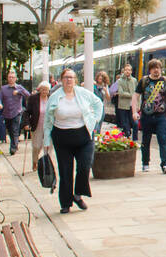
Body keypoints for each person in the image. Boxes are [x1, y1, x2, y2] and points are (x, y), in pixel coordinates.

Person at [44, 68, 103, 214]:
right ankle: (65, 203)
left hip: (84, 137)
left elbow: (98, 103)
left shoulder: (83, 93)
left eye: (71, 77)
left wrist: (95, 120)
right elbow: (48, 120)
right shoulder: (55, 97)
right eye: (66, 77)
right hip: (62, 138)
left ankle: (78, 194)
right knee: (65, 171)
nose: (69, 80)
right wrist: (46, 141)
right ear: (61, 80)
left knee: (85, 166)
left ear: (75, 80)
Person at [133, 58, 166, 174]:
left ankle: (165, 164)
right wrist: (134, 112)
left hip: (161, 116)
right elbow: (135, 96)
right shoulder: (144, 81)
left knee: (163, 139)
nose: (156, 70)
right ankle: (145, 163)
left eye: (158, 68)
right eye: (154, 68)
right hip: (146, 116)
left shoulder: (165, 81)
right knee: (146, 140)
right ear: (150, 70)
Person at [0, 70, 31, 156]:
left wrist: (19, 92)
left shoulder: (19, 87)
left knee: (15, 129)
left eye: (12, 77)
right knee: (10, 130)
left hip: (17, 112)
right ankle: (15, 143)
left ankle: (13, 148)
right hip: (7, 113)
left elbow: (28, 95)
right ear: (7, 78)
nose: (11, 79)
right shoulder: (3, 89)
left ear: (15, 79)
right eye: (9, 77)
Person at [26, 80, 52, 172]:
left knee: (48, 146)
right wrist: (27, 124)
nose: (44, 91)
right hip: (37, 125)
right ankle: (35, 161)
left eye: (46, 90)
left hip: (49, 126)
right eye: (43, 89)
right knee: (37, 146)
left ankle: (47, 164)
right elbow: (27, 112)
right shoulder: (33, 98)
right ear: (39, 89)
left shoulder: (51, 98)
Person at [109, 63, 138, 140]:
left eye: (129, 70)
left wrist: (137, 103)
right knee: (125, 124)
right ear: (124, 71)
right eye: (126, 70)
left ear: (131, 71)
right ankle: (127, 138)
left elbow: (137, 93)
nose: (127, 71)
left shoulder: (134, 80)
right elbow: (121, 93)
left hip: (132, 105)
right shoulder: (119, 81)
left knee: (135, 123)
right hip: (122, 105)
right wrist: (131, 94)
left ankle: (135, 139)